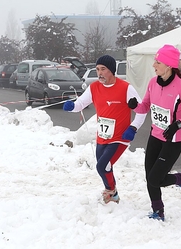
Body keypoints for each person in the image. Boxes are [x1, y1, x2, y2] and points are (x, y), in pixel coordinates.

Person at [127, 44, 181, 221]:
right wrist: (135, 106)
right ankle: (158, 211)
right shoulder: (153, 83)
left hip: (174, 140)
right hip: (155, 135)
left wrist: (178, 124)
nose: (154, 65)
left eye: (158, 62)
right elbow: (145, 106)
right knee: (150, 177)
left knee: (155, 178)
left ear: (169, 65)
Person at [63, 55, 146, 204]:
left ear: (112, 71)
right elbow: (81, 103)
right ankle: (112, 192)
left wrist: (133, 128)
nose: (99, 73)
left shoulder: (126, 88)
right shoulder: (94, 87)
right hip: (102, 135)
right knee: (104, 167)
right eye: (97, 69)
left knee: (103, 166)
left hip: (121, 136)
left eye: (103, 69)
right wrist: (72, 106)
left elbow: (142, 111)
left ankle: (111, 192)